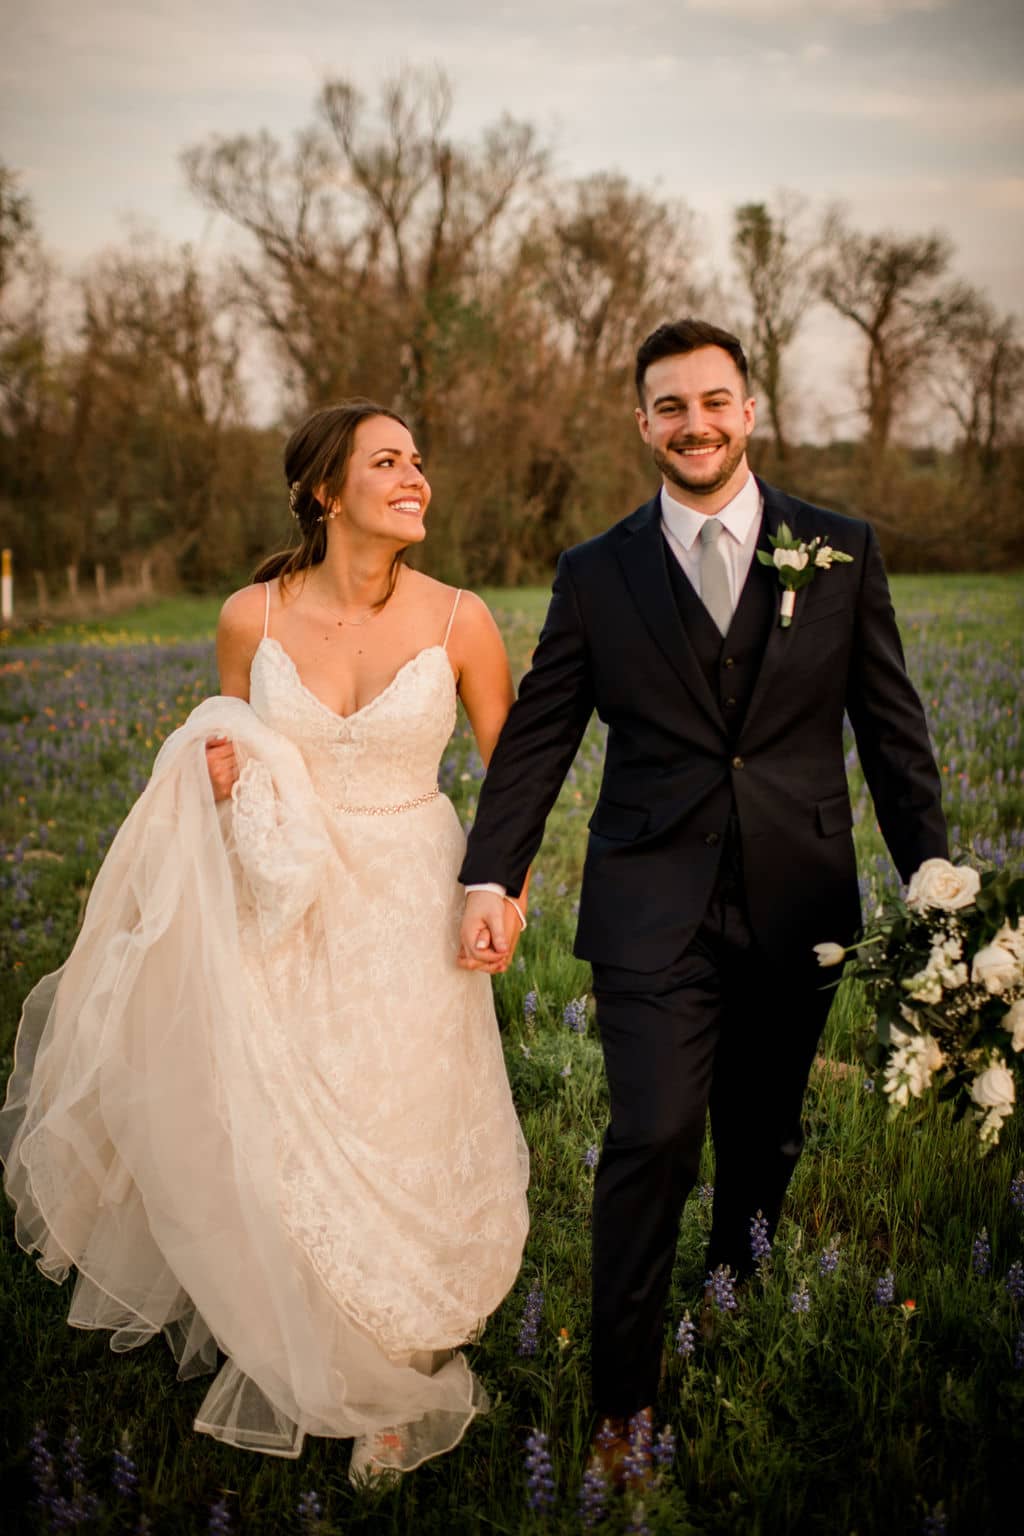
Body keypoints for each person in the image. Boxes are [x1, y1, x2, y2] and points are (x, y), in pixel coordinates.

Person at [1, 399, 530, 1479]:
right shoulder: (249, 615)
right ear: (328, 491)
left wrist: (503, 893)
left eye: (418, 461)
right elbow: (223, 751)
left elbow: (515, 777)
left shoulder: (460, 619)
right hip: (284, 894)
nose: (415, 477)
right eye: (389, 462)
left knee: (403, 1113)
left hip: (410, 895)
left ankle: (394, 1345)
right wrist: (221, 777)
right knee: (283, 1115)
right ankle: (309, 1336)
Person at [458, 319, 947, 1472]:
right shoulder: (595, 571)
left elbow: (891, 729)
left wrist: (931, 873)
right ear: (643, 425)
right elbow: (537, 741)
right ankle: (621, 1406)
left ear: (749, 409)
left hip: (800, 900)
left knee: (763, 1134)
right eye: (670, 406)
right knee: (653, 1133)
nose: (696, 423)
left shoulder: (838, 547)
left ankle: (731, 1288)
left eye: (713, 401)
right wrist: (490, 871)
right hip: (647, 907)